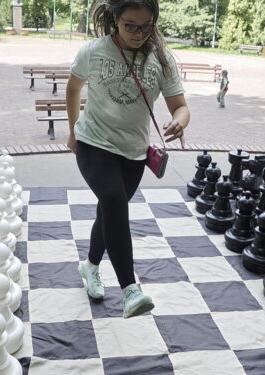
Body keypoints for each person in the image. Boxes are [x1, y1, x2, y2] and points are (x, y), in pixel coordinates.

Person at [65, 0, 190, 318]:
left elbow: (180, 105)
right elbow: (73, 88)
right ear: (115, 20)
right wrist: (71, 131)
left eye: (146, 26)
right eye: (130, 25)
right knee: (113, 201)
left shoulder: (160, 59)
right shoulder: (93, 51)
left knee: (109, 211)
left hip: (134, 153)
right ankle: (130, 289)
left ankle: (90, 266)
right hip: (93, 143)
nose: (138, 33)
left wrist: (180, 120)